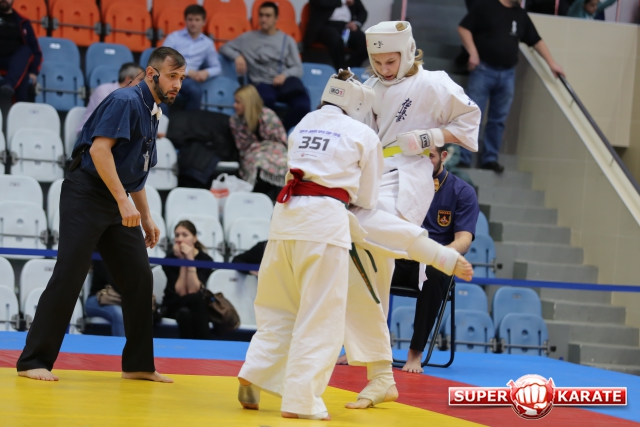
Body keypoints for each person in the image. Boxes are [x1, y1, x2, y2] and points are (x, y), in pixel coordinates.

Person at [15, 46, 186, 383]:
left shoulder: (153, 111)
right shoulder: (125, 100)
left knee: (139, 277)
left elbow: (135, 170)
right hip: (86, 193)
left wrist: (146, 215)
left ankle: (138, 365)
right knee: (70, 274)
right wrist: (124, 202)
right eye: (172, 76)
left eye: (181, 78)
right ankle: (33, 360)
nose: (178, 84)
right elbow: (99, 150)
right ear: (152, 74)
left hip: (116, 197)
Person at [340, 21, 480, 410]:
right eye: (378, 62)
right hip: (373, 174)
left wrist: (431, 137)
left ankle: (438, 254)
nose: (385, 69)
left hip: (409, 176)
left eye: (391, 61)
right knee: (365, 276)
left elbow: (469, 121)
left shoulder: (433, 83)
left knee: (363, 229)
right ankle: (382, 376)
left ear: (408, 52)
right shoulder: (369, 88)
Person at [392, 145, 479, 373]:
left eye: (429, 156)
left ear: (443, 156)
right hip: (398, 257)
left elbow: (464, 240)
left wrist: (437, 254)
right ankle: (359, 349)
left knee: (435, 271)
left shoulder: (462, 192)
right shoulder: (398, 184)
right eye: (419, 156)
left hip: (431, 263)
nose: (423, 161)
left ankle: (415, 353)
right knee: (366, 266)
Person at [457, 0, 565, 173]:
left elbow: (536, 40)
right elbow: (464, 28)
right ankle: (464, 157)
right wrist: (473, 53)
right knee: (471, 115)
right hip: (483, 70)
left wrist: (552, 63)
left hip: (507, 74)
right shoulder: (486, 6)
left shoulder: (520, 15)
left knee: (498, 120)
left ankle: (490, 158)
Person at [219, 1, 310, 131]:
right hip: (262, 83)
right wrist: (237, 56)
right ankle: (270, 131)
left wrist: (285, 75)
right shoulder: (248, 38)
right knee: (266, 100)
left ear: (276, 19)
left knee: (303, 106)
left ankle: (282, 130)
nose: (263, 19)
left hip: (284, 84)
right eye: (261, 15)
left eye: (268, 16)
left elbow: (298, 68)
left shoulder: (287, 40)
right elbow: (224, 48)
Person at [230, 84, 288, 200]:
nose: (234, 105)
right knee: (257, 160)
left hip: (274, 150)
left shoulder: (268, 115)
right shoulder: (235, 121)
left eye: (238, 102)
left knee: (285, 161)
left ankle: (279, 199)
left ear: (247, 103)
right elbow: (243, 146)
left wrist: (266, 148)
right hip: (252, 152)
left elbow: (280, 141)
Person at [163, 4, 221, 113]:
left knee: (195, 91)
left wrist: (206, 72)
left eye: (197, 20)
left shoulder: (207, 43)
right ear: (185, 20)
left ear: (204, 22)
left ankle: (190, 122)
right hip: (169, 75)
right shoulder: (174, 37)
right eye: (190, 19)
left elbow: (217, 67)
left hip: (188, 81)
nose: (193, 23)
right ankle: (162, 123)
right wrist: (188, 72)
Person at [162, 220, 214, 340]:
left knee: (185, 313)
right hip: (173, 302)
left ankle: (191, 348)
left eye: (185, 235)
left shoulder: (206, 260)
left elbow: (193, 290)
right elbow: (181, 292)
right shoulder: (169, 259)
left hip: (192, 304)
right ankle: (205, 344)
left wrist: (190, 259)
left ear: (194, 238)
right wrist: (182, 262)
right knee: (196, 300)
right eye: (177, 235)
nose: (179, 239)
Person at [78, 63, 144, 132]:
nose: (143, 84)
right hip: (89, 133)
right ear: (128, 79)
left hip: (114, 134)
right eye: (141, 79)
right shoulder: (103, 90)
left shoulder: (136, 96)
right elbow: (107, 118)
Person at [303, 0, 368, 70]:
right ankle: (341, 69)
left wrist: (356, 24)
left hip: (346, 27)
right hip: (325, 25)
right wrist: (343, 1)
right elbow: (320, 2)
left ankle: (348, 68)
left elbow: (362, 12)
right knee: (335, 38)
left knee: (366, 42)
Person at [0, 0, 42, 102]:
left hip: (14, 63)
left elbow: (36, 51)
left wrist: (33, 71)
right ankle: (9, 89)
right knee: (23, 75)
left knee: (26, 50)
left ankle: (8, 86)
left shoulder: (23, 22)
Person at [84, 259, 126, 337]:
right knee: (119, 314)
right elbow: (114, 282)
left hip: (120, 299)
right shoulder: (100, 257)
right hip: (96, 298)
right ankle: (120, 345)